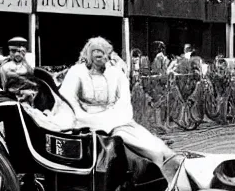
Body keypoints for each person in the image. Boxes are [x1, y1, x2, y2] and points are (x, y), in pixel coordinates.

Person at [59, 37, 181, 180]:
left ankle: (169, 171)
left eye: (104, 54)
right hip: (85, 121)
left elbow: (123, 102)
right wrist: (83, 116)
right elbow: (67, 99)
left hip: (115, 120)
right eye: (96, 54)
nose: (101, 58)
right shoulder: (77, 72)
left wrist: (111, 117)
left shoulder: (115, 73)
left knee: (154, 145)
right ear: (88, 55)